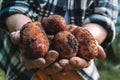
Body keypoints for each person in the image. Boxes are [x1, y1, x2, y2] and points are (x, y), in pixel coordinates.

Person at [0, 0, 118, 80]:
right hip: (20, 60)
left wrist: (91, 36)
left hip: (76, 67)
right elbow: (14, 5)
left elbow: (104, 16)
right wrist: (22, 28)